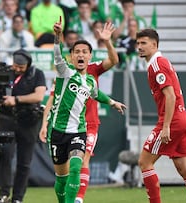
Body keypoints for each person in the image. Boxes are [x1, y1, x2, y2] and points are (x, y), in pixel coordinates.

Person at [39, 17, 126, 203]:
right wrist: (57, 37)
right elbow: (57, 57)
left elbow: (97, 93)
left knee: (78, 165)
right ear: (71, 56)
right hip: (57, 130)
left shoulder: (91, 78)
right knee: (61, 178)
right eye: (77, 52)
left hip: (79, 129)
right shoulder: (65, 72)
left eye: (84, 52)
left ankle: (76, 200)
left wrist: (112, 103)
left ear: (89, 56)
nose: (80, 55)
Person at [136, 28, 186, 203]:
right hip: (182, 118)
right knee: (184, 168)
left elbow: (170, 95)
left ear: (154, 44)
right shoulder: (159, 63)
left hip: (172, 120)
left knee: (145, 162)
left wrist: (166, 126)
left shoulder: (157, 64)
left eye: (143, 43)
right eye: (138, 43)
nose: (139, 47)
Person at [0, 49, 47, 203]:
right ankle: (4, 194)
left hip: (28, 121)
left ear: (28, 65)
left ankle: (18, 198)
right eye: (16, 66)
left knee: (24, 162)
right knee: (5, 155)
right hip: (6, 119)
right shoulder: (5, 72)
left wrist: (16, 99)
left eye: (21, 67)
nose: (18, 69)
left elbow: (39, 96)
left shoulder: (36, 74)